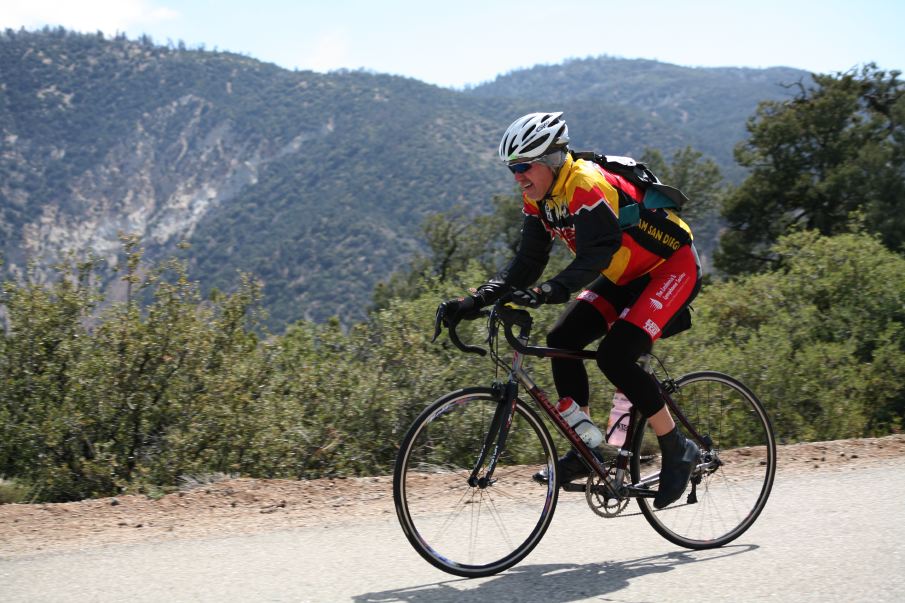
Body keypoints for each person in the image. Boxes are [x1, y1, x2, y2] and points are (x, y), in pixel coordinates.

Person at [436, 112, 702, 509]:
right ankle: (586, 448)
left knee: (616, 355)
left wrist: (547, 291)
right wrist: (474, 300)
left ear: (549, 160)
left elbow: (595, 255)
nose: (518, 177)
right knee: (562, 338)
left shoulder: (586, 184)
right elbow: (527, 261)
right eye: (512, 168)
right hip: (624, 274)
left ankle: (677, 447)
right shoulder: (537, 196)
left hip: (671, 267)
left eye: (524, 166)